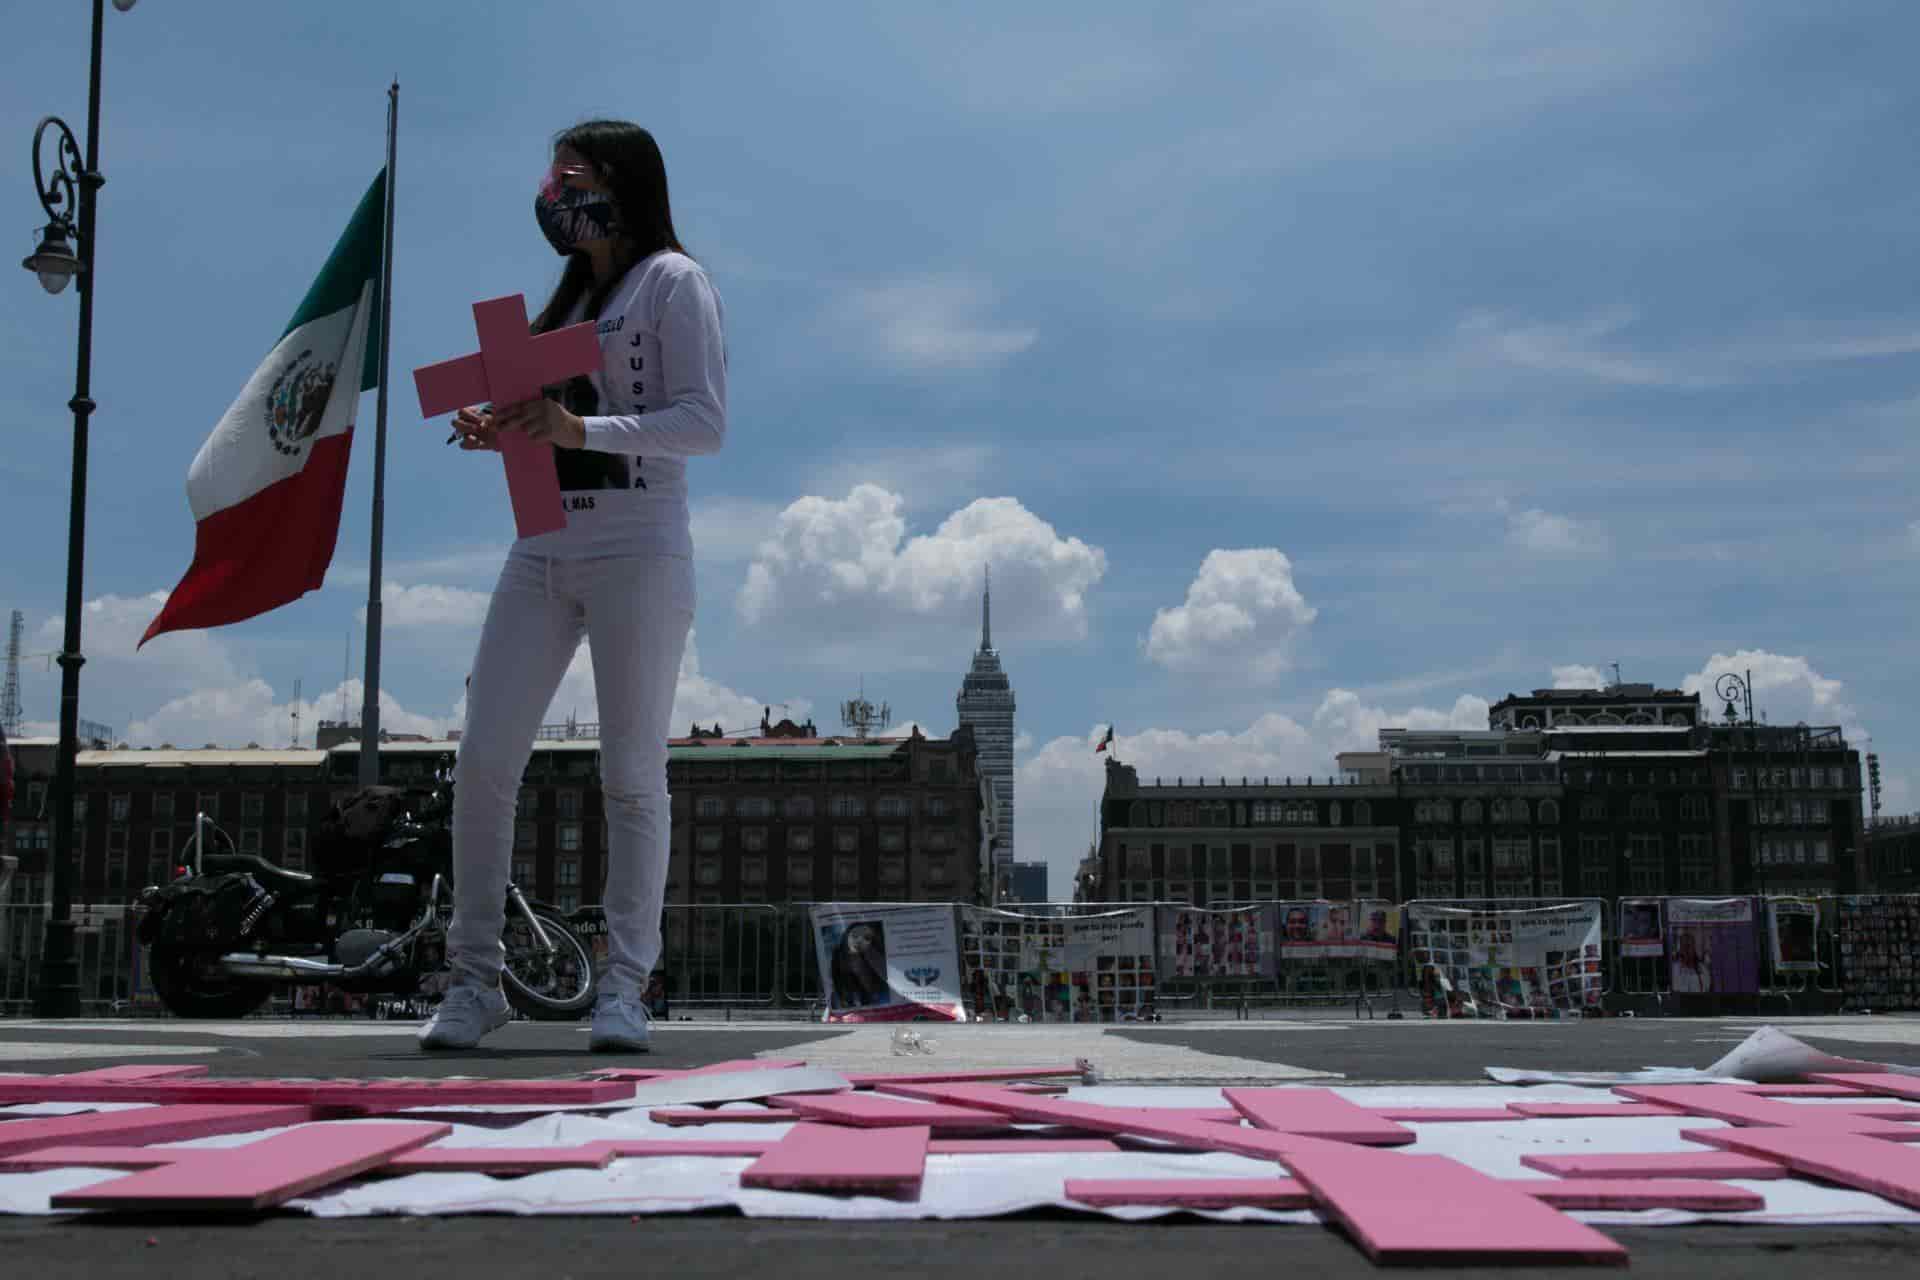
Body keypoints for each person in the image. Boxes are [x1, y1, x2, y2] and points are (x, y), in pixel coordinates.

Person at [420, 120, 726, 1052]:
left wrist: (573, 431)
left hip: (640, 547)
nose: (556, 193)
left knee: (631, 774)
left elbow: (703, 422)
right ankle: (475, 978)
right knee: (483, 759)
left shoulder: (674, 282)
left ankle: (624, 985)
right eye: (554, 177)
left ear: (624, 185)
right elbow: (551, 427)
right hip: (542, 545)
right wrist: (505, 428)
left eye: (574, 175)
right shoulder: (566, 303)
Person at [1670, 929, 1713, 994]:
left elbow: (1707, 990)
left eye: (1689, 946)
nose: (1686, 950)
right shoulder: (1674, 970)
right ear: (1680, 949)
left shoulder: (1703, 969)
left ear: (1694, 947)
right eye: (1684, 946)